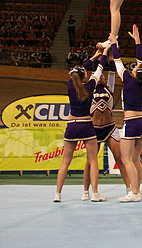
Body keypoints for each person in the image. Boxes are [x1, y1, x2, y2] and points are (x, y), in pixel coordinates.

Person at [108, 25, 142, 202]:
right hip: (141, 121)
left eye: (135, 68)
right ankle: (137, 190)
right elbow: (140, 64)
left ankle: (134, 192)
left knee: (126, 158)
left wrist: (114, 43)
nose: (133, 67)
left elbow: (117, 61)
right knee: (135, 160)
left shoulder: (128, 80)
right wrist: (137, 41)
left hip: (131, 122)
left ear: (136, 73)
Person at [54, 52, 106, 203]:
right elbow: (100, 69)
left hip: (72, 125)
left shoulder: (71, 85)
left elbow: (77, 71)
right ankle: (94, 193)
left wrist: (93, 57)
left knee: (65, 162)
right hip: (86, 124)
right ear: (84, 77)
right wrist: (103, 53)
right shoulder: (90, 86)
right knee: (93, 160)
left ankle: (58, 194)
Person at [82, 46, 130, 199]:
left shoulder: (110, 87)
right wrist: (98, 56)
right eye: (99, 75)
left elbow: (112, 71)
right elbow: (96, 69)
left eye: (103, 75)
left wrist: (110, 55)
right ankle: (86, 191)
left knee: (120, 159)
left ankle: (129, 188)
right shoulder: (89, 89)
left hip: (110, 128)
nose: (102, 76)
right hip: (94, 129)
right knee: (90, 162)